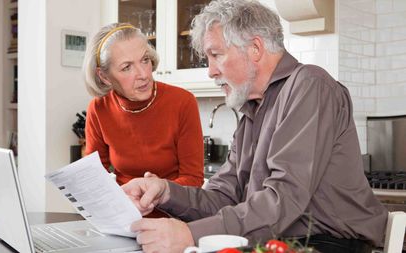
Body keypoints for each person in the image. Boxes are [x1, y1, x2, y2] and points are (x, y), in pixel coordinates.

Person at [122, 1, 388, 252]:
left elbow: (284, 198)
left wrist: (190, 235)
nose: (211, 71)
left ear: (255, 49)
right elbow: (222, 198)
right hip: (277, 241)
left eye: (216, 55)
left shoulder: (310, 85)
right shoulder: (251, 109)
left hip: (330, 244)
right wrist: (166, 192)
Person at [82, 23, 204, 208]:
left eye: (145, 60)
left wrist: (158, 189)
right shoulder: (99, 109)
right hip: (124, 213)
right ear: (104, 76)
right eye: (127, 67)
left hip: (175, 215)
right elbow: (95, 178)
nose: (143, 74)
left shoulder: (182, 102)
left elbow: (194, 179)